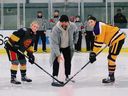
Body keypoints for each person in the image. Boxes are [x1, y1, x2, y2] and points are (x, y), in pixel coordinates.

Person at [87, 16, 126, 83]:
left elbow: (99, 42)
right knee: (110, 58)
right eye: (89, 22)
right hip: (115, 39)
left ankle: (111, 77)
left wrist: (94, 53)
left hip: (117, 39)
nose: (90, 23)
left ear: (95, 21)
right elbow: (100, 38)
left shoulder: (98, 27)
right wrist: (94, 53)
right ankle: (111, 76)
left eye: (91, 22)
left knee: (111, 58)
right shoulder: (98, 25)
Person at [50, 15, 78, 84]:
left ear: (68, 22)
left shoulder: (73, 26)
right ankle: (55, 76)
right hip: (58, 47)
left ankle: (67, 75)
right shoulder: (55, 29)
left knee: (68, 61)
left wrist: (74, 41)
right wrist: (58, 55)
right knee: (56, 61)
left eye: (65, 22)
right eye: (62, 22)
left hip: (68, 46)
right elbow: (54, 43)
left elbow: (77, 32)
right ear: (60, 22)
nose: (64, 24)